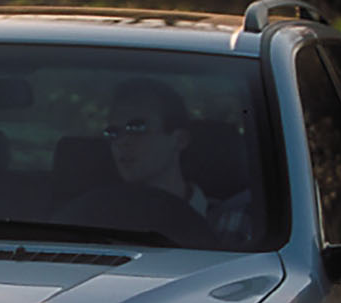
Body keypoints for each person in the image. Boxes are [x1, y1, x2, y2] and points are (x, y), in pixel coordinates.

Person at [103, 77, 252, 243]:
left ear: (180, 139)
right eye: (113, 132)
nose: (122, 141)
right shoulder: (94, 223)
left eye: (138, 128)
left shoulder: (231, 225)